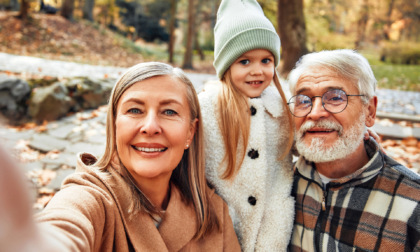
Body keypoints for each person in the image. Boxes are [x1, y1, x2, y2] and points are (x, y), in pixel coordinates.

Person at [0, 62, 241, 251]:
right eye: (135, 110)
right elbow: (65, 227)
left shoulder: (213, 212)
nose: (150, 127)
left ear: (190, 131)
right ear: (114, 125)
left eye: (169, 111)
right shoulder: (92, 198)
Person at [287, 49, 420, 251]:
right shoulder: (282, 185)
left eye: (335, 98)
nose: (315, 113)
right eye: (304, 100)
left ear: (370, 110)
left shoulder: (413, 202)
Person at [198, 0, 295, 250]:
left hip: (272, 231)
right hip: (219, 229)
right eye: (244, 62)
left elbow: (311, 142)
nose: (257, 71)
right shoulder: (207, 108)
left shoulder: (284, 108)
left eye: (266, 60)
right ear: (226, 65)